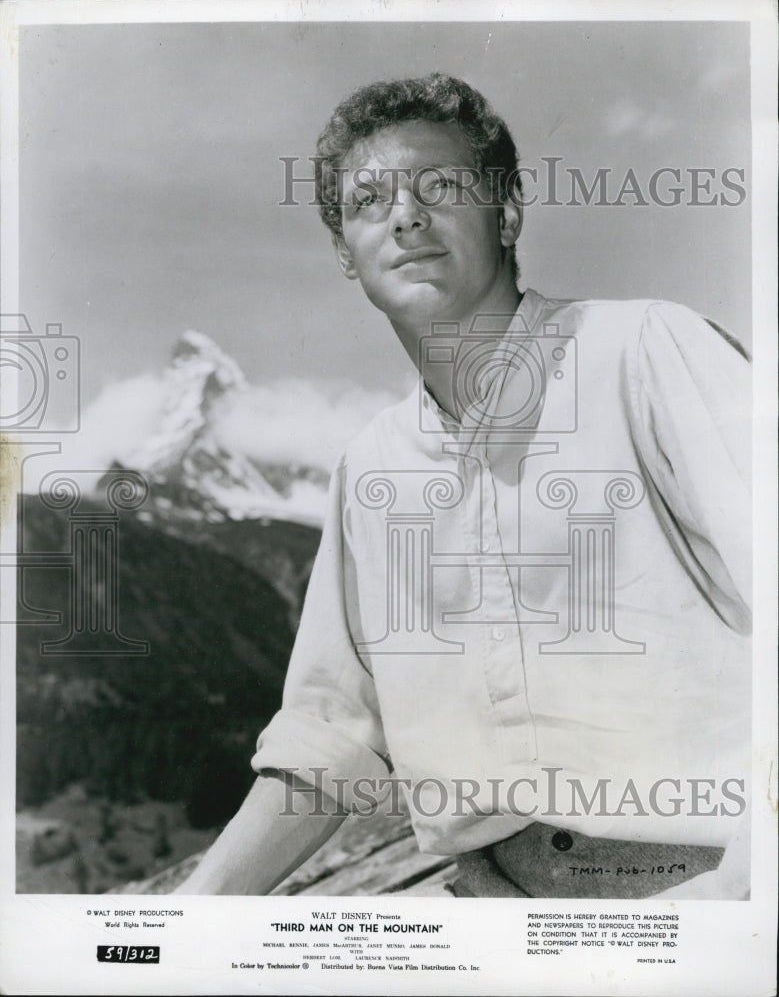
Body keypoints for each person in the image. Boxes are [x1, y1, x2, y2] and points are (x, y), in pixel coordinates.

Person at [177, 74, 751, 899]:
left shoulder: (646, 351)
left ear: (507, 213)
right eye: (369, 200)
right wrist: (175, 925)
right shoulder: (371, 466)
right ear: (345, 250)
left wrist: (749, 885)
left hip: (697, 879)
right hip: (488, 899)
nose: (405, 215)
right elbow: (330, 737)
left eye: (440, 187)